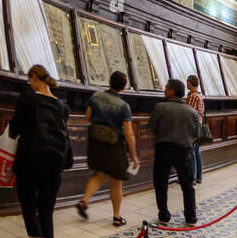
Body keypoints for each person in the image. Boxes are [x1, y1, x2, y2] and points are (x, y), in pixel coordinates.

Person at [8, 64, 71, 238]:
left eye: (30, 80)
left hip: (30, 159)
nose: (29, 83)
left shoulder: (28, 98)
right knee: (47, 205)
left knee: (28, 204)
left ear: (34, 77)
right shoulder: (62, 107)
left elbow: (14, 129)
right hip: (55, 163)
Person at [76, 71, 138, 226]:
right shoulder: (124, 106)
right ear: (124, 87)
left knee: (99, 174)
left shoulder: (95, 97)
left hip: (96, 142)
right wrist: (134, 156)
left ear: (109, 82)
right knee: (116, 181)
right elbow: (129, 133)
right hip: (114, 145)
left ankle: (84, 201)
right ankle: (117, 217)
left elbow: (88, 117)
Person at [147, 79, 201, 225]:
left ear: (172, 91)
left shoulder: (160, 108)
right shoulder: (192, 112)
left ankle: (164, 215)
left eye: (166, 88)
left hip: (163, 149)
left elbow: (151, 127)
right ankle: (191, 217)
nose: (164, 90)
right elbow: (197, 134)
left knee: (161, 183)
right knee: (187, 185)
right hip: (184, 150)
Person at [185, 74, 205, 185]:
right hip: (199, 125)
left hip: (192, 126)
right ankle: (199, 177)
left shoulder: (193, 96)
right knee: (197, 151)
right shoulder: (200, 96)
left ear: (189, 83)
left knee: (192, 152)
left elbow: (190, 112)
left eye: (187, 82)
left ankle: (192, 178)